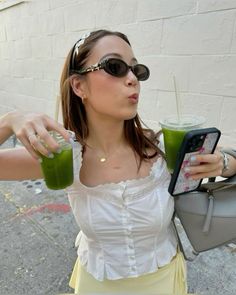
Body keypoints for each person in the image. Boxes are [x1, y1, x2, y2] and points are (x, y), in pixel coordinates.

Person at [0, 29, 236, 294]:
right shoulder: (64, 155)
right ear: (79, 86)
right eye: (115, 66)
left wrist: (224, 163)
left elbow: (229, 159)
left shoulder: (161, 148)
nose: (133, 79)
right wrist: (9, 121)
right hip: (97, 285)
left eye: (137, 70)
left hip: (164, 283)